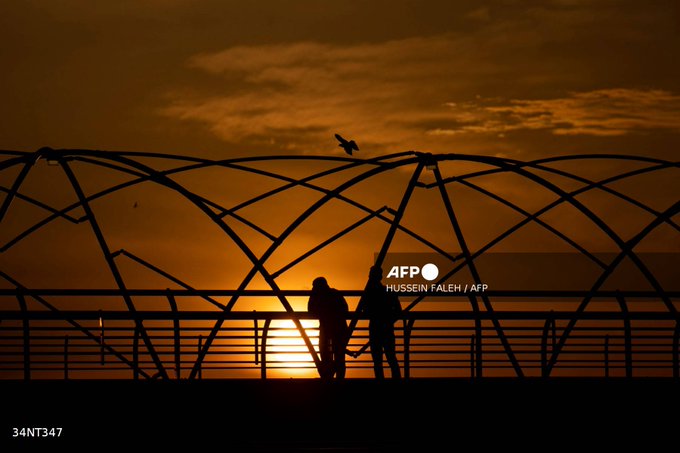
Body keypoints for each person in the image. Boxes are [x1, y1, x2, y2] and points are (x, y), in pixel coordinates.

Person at [358, 266, 402, 379]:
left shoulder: (368, 294)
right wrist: (388, 321)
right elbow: (398, 311)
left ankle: (380, 382)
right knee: (391, 357)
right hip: (386, 327)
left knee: (378, 359)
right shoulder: (388, 292)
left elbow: (364, 310)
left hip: (375, 327)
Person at [307, 277, 349, 380]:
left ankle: (328, 378)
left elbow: (310, 310)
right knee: (339, 357)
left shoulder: (319, 297)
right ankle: (339, 380)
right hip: (339, 329)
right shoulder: (336, 294)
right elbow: (345, 310)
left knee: (326, 354)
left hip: (328, 329)